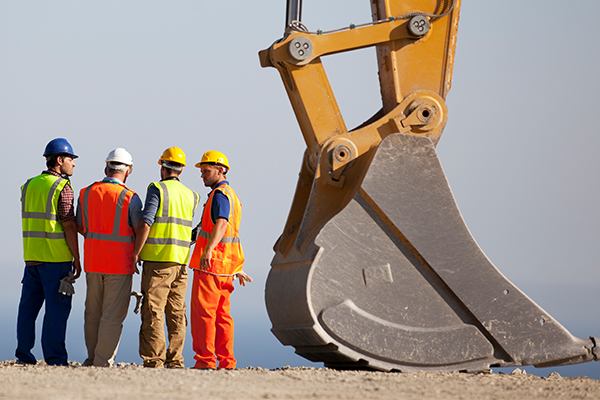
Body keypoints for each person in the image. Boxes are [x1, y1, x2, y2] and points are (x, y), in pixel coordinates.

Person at [17, 138, 82, 366]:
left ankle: (24, 356)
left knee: (27, 309)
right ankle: (55, 359)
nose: (73, 164)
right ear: (59, 160)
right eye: (71, 159)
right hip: (56, 259)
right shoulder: (62, 187)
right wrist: (77, 257)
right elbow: (69, 224)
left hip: (31, 257)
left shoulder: (29, 184)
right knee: (57, 311)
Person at [132, 147, 199, 368]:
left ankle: (154, 360)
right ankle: (176, 360)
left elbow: (146, 222)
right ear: (181, 169)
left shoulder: (157, 189)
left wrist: (136, 252)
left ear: (163, 167)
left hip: (158, 261)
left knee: (153, 310)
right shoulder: (192, 195)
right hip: (181, 263)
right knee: (177, 312)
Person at [76, 148, 142, 367]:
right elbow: (138, 229)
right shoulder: (130, 198)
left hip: (93, 262)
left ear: (106, 167)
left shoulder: (85, 193)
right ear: (128, 170)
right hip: (119, 265)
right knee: (111, 316)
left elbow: (81, 226)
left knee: (92, 312)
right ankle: (103, 363)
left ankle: (92, 357)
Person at [188, 150, 250, 370]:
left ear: (220, 170)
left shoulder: (219, 195)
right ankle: (227, 361)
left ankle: (205, 361)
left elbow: (222, 224)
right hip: (226, 268)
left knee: (203, 314)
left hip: (210, 266)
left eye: (206, 171)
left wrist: (208, 251)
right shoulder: (232, 194)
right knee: (223, 317)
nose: (202, 175)